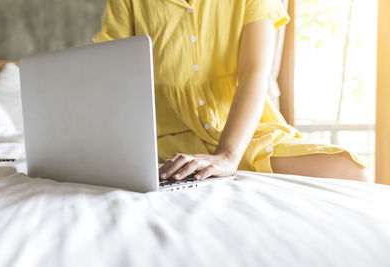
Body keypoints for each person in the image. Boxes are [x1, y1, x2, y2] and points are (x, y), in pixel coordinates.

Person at [94, 0, 369, 182]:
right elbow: (111, 71)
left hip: (245, 136)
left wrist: (227, 154)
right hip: (166, 144)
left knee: (353, 173)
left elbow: (255, 72)